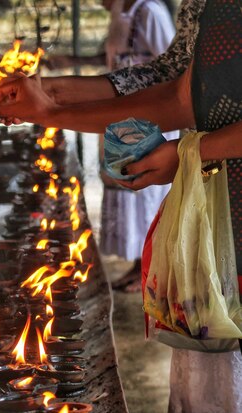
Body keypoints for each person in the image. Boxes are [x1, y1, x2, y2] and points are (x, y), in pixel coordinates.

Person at [0, 0, 242, 413]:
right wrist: (51, 99)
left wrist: (194, 150)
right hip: (220, 208)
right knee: (215, 363)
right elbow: (178, 90)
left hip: (224, 186)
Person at [98, 0, 176, 291]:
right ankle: (137, 267)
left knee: (149, 194)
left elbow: (171, 65)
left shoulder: (150, 12)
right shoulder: (125, 15)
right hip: (127, 120)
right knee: (131, 187)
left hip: (150, 120)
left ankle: (151, 272)